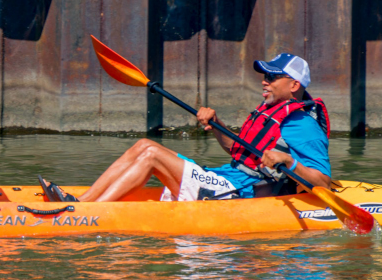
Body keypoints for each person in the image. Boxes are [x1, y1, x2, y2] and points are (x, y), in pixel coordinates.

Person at [42, 53, 332, 202]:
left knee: (153, 157)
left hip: (239, 191)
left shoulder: (302, 123)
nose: (264, 80)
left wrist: (288, 160)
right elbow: (238, 151)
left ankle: (88, 212)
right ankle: (82, 202)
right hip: (226, 176)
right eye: (264, 75)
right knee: (144, 145)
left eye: (272, 76)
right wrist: (218, 125)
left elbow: (322, 182)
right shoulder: (269, 111)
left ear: (294, 85)